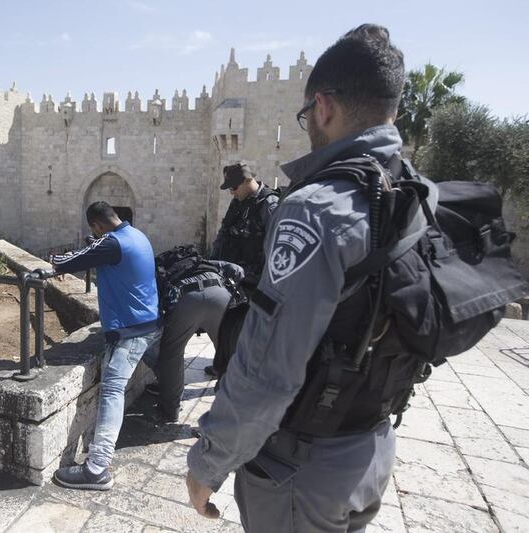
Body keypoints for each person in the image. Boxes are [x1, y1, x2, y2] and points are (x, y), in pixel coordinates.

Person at [186, 24, 431, 531]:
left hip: (302, 468)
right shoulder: (415, 193)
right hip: (371, 447)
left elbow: (269, 367)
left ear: (322, 107)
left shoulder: (315, 210)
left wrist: (209, 461)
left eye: (304, 116)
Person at [49, 201, 161, 491]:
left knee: (112, 391)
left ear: (98, 226)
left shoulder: (113, 243)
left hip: (130, 330)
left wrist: (57, 263)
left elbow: (76, 258)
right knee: (122, 385)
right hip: (147, 323)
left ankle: (97, 468)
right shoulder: (137, 235)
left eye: (95, 231)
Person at [144, 247, 245, 422]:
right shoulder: (203, 262)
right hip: (221, 295)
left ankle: (170, 411)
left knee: (172, 354)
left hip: (187, 299)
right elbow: (237, 270)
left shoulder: (159, 268)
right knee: (228, 353)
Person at [205, 162, 278, 377]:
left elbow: (274, 246)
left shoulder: (269, 204)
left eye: (234, 187)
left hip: (255, 280)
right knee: (225, 324)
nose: (231, 192)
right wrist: (211, 264)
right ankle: (222, 365)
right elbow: (224, 234)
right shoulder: (238, 202)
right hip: (233, 278)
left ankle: (237, 371)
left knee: (244, 328)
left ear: (248, 181)